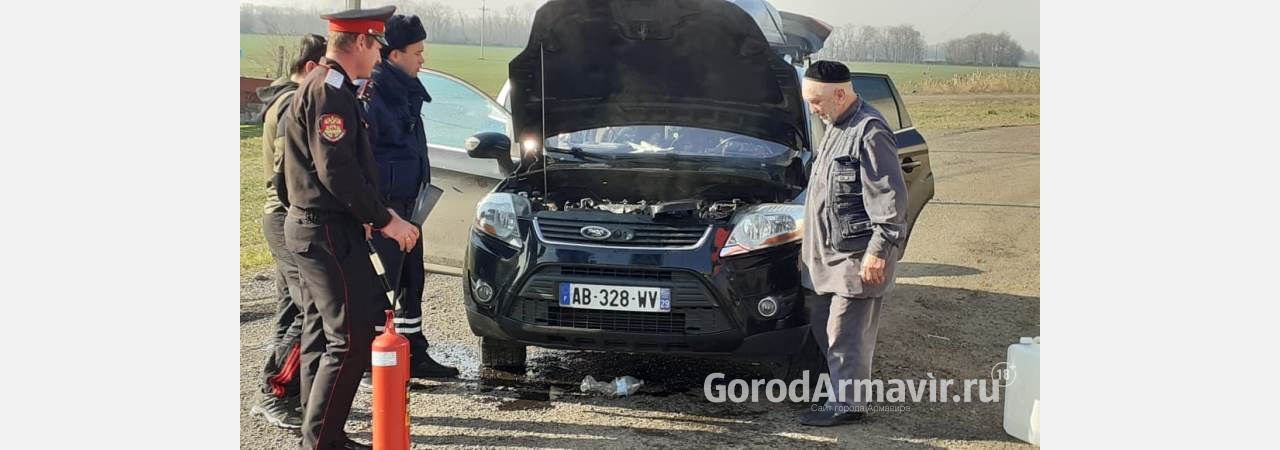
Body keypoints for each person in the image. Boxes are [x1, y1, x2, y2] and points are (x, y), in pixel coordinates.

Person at [279, 5, 419, 450]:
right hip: (325, 230)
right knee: (354, 337)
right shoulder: (330, 93)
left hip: (319, 227)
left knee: (324, 333)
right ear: (360, 42)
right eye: (377, 44)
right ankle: (322, 440)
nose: (379, 53)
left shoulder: (331, 88)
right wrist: (384, 219)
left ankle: (320, 435)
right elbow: (336, 173)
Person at [797, 61, 909, 427]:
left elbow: (890, 200)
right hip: (823, 257)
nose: (813, 109)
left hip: (855, 255)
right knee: (824, 328)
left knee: (846, 333)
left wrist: (879, 252)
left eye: (816, 102)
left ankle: (848, 404)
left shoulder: (869, 131)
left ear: (841, 93)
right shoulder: (834, 125)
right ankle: (837, 390)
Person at [364, 13, 458, 379]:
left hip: (411, 209)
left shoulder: (407, 93)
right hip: (386, 214)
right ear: (393, 55)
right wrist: (380, 214)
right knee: (381, 292)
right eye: (417, 52)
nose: (423, 59)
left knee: (411, 284)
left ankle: (413, 353)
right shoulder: (374, 99)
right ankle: (378, 368)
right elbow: (364, 160)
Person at [250, 33, 327, 430]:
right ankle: (275, 392)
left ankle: (282, 385)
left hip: (281, 217)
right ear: (312, 67)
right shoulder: (290, 105)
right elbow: (287, 175)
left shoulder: (285, 99)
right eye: (328, 68)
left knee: (290, 305)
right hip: (286, 217)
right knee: (310, 305)